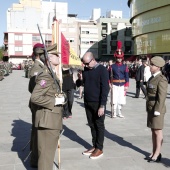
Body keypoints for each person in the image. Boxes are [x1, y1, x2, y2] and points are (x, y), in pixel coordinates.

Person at [31, 43, 64, 170]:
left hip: (51, 121)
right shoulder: (46, 75)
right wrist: (54, 101)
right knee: (45, 159)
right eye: (56, 55)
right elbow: (35, 97)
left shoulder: (51, 74)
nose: (59, 57)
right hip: (47, 122)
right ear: (49, 58)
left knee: (47, 157)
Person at [82, 52, 109, 159]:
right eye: (84, 64)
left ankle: (99, 148)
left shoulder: (102, 70)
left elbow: (105, 89)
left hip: (97, 102)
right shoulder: (86, 70)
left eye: (87, 63)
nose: (86, 66)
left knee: (99, 125)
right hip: (87, 101)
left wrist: (102, 105)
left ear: (93, 60)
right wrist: (79, 79)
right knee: (91, 124)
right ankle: (94, 145)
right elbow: (83, 83)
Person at [145, 56, 168, 163]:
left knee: (158, 131)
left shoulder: (161, 79)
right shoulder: (152, 78)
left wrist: (157, 109)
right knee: (153, 130)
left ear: (158, 67)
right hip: (151, 107)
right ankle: (154, 151)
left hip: (157, 109)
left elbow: (162, 96)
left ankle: (157, 153)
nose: (150, 66)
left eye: (153, 65)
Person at [28, 43, 45, 168]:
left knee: (37, 131)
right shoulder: (36, 68)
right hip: (38, 103)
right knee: (37, 132)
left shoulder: (40, 66)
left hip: (38, 102)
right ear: (40, 54)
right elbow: (33, 88)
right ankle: (35, 159)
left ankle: (35, 158)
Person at [109, 41, 129, 118]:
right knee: (114, 99)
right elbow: (109, 76)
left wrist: (127, 85)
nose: (119, 59)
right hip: (114, 84)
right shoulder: (112, 66)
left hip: (122, 85)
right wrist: (109, 83)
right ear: (116, 57)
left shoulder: (125, 66)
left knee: (121, 99)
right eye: (118, 58)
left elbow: (127, 76)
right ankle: (114, 112)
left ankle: (119, 112)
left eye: (120, 58)